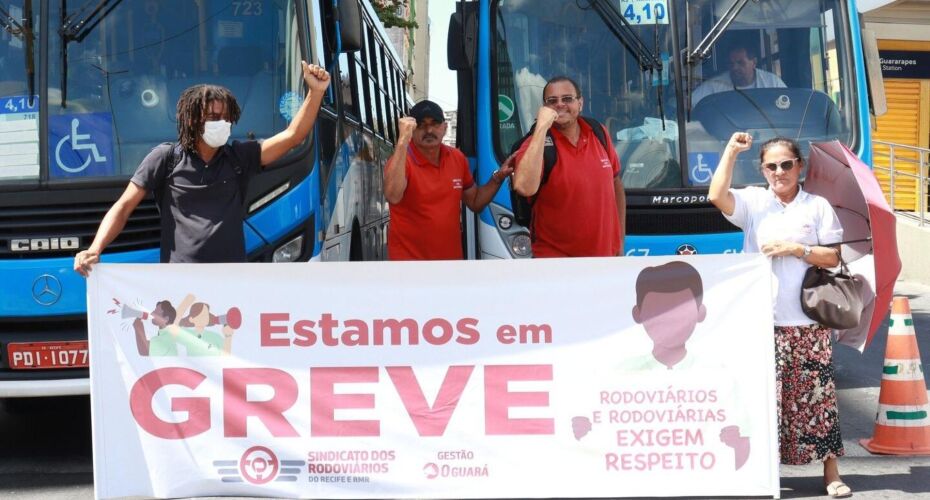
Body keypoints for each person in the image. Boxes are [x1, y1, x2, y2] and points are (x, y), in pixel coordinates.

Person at [73, 61, 331, 275]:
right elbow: (123, 207)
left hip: (231, 280)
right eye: (213, 117)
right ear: (192, 120)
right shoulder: (165, 158)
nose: (222, 122)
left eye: (226, 117)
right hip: (180, 282)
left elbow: (293, 136)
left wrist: (315, 92)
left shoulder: (240, 156)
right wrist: (95, 249)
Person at [708, 133, 850, 499]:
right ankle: (762, 473)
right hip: (762, 322)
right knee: (761, 401)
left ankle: (831, 473)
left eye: (786, 164)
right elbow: (715, 196)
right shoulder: (754, 202)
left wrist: (797, 248)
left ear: (799, 166)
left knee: (818, 401)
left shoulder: (816, 206)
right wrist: (730, 151)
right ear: (762, 169)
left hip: (808, 321)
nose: (779, 171)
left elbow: (834, 258)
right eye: (771, 166)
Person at [384, 99, 513, 260]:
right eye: (421, 125)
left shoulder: (457, 158)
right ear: (412, 129)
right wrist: (403, 140)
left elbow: (475, 202)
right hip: (409, 265)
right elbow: (393, 195)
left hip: (450, 264)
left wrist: (498, 178)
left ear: (445, 128)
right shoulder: (401, 160)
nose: (429, 130)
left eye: (435, 123)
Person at [512, 76, 625, 257]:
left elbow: (615, 183)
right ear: (544, 107)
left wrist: (620, 240)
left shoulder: (599, 132)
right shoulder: (535, 144)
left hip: (604, 261)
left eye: (567, 99)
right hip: (556, 266)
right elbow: (524, 187)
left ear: (580, 103)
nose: (560, 104)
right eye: (552, 101)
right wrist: (541, 127)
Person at [631, 261, 707, 369]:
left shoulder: (714, 371)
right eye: (658, 311)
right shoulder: (620, 372)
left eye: (681, 311)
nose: (670, 320)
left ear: (700, 313)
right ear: (637, 314)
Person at [691, 45, 787, 106]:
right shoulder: (714, 86)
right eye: (731, 64)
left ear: (754, 62)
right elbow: (690, 104)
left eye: (740, 63)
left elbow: (788, 104)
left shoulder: (773, 82)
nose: (735, 68)